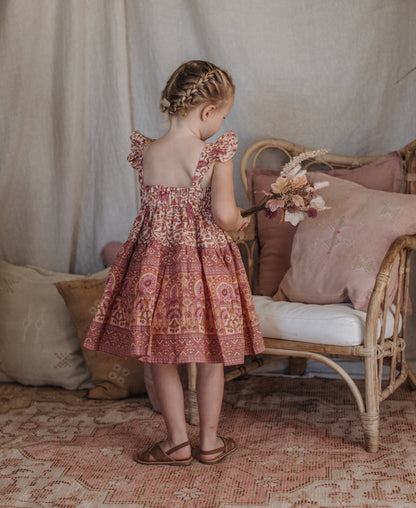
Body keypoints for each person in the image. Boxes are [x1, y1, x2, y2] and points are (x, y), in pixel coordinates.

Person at [84, 60, 265, 466]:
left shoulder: (147, 150)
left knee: (161, 356)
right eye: (223, 114)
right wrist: (240, 219)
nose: (223, 122)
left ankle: (177, 442)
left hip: (154, 266)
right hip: (203, 267)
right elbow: (222, 214)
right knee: (211, 355)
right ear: (207, 112)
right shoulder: (214, 153)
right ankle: (210, 443)